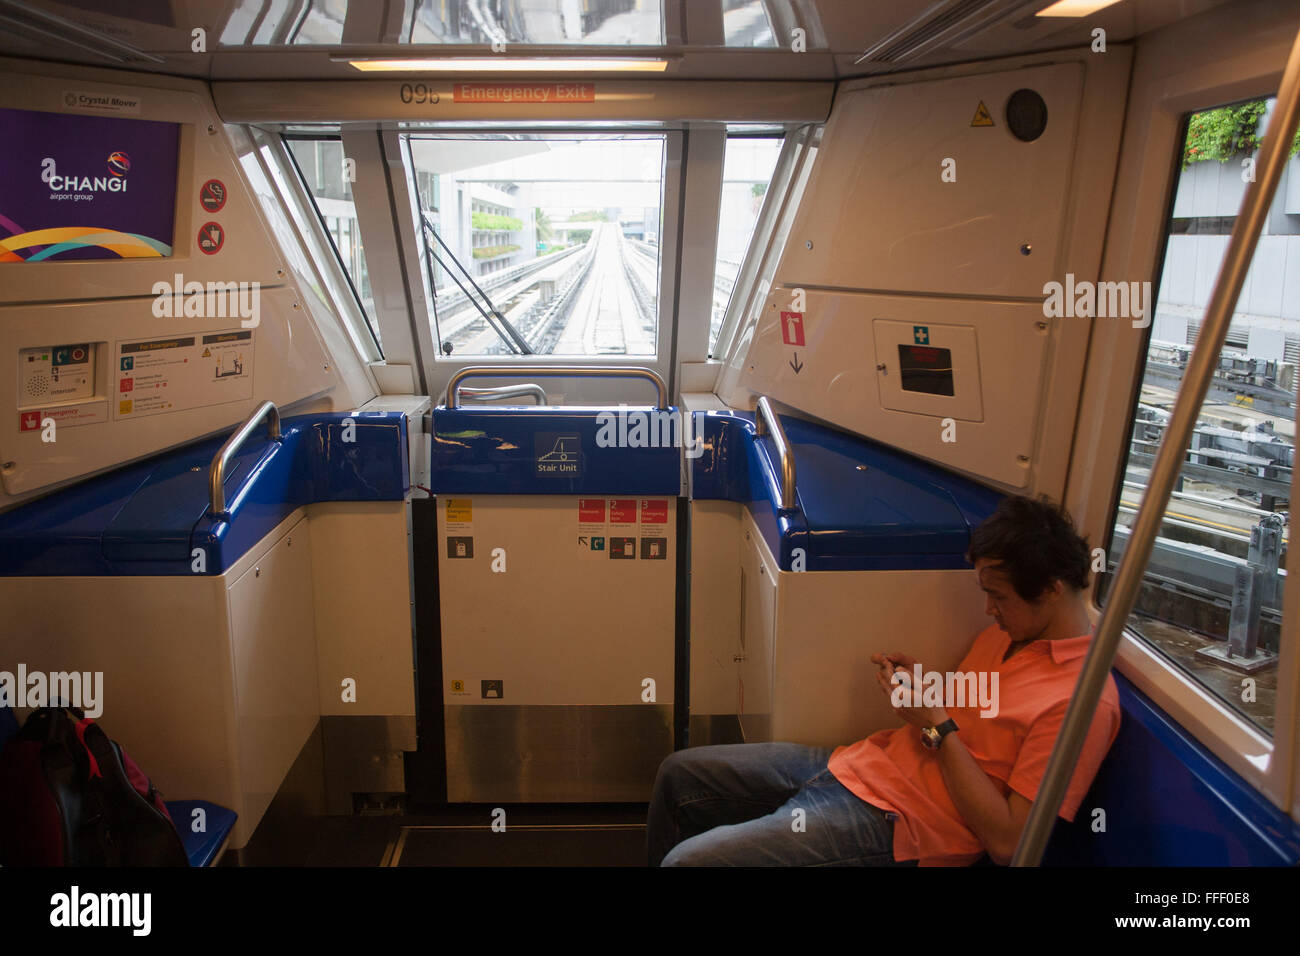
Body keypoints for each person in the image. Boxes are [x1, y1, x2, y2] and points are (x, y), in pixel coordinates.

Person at [647, 494, 1121, 866]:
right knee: (677, 775)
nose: (988, 610)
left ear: (1051, 589)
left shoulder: (1081, 704)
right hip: (861, 764)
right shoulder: (1007, 636)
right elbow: (970, 719)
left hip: (902, 824)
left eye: (997, 597)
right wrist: (924, 690)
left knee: (687, 862)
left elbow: (1009, 844)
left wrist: (935, 724)